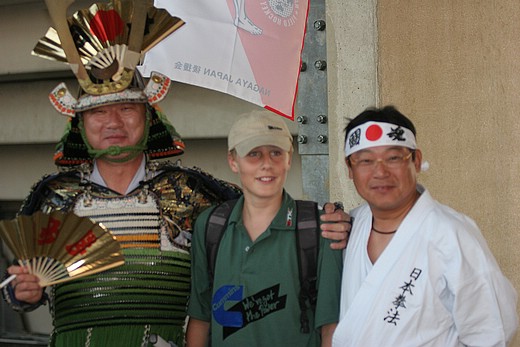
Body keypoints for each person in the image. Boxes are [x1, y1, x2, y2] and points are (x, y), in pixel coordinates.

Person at [1, 1, 351, 346]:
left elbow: (267, 219)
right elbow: (21, 284)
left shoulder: (190, 191)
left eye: (126, 108)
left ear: (149, 116)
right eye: (98, 112)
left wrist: (325, 222)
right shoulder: (54, 198)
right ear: (79, 122)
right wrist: (23, 291)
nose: (113, 123)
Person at [332, 105, 518, 347]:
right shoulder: (351, 225)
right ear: (350, 169)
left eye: (393, 158)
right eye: (365, 160)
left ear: (416, 161)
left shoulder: (451, 234)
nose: (380, 172)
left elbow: (493, 331)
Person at [186, 111, 343, 347]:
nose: (267, 164)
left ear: (289, 158)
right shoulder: (211, 226)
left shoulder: (320, 228)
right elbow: (200, 319)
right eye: (254, 154)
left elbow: (331, 328)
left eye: (276, 153)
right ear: (233, 161)